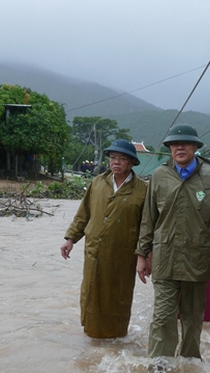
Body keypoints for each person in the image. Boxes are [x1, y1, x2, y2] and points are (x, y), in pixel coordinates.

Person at [136, 124, 210, 367]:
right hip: (165, 256)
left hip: (198, 259)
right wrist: (142, 254)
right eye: (174, 144)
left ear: (195, 148)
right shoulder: (159, 176)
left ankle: (190, 364)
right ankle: (160, 364)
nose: (180, 147)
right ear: (169, 148)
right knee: (162, 316)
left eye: (186, 144)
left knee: (192, 317)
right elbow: (148, 218)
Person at [60, 139, 148, 338]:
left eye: (122, 158)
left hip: (123, 255)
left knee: (118, 296)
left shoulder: (143, 190)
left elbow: (147, 227)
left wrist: (145, 255)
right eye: (113, 158)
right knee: (91, 291)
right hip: (94, 251)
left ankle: (115, 338)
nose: (116, 162)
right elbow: (84, 213)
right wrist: (70, 239)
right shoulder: (98, 183)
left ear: (132, 162)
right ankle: (91, 337)